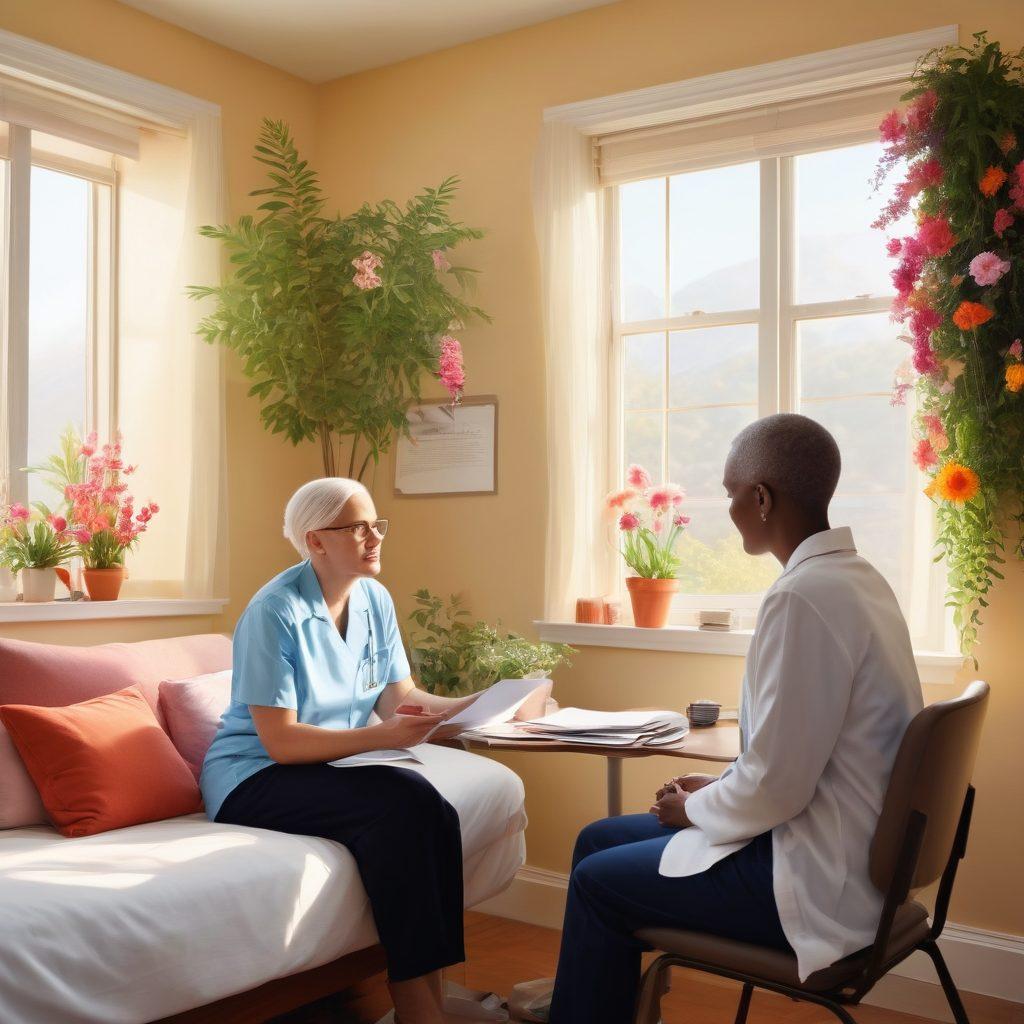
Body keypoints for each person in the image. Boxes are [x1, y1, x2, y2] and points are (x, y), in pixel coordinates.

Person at [545, 413, 924, 1024]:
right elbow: (799, 756)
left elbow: (779, 784)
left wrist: (695, 808)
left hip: (813, 881)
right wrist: (721, 787)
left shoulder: (803, 596)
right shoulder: (859, 581)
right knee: (597, 840)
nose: (729, 509)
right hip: (851, 854)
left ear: (762, 498)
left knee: (595, 882)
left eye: (731, 495)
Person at [201, 477, 478, 1024]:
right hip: (252, 777)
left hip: (327, 764)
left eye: (377, 525)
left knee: (434, 813)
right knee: (406, 800)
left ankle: (432, 999)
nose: (375, 537)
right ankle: (417, 1008)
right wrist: (384, 735)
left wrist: (483, 706)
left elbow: (400, 698)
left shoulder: (374, 598)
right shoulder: (273, 611)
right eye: (357, 527)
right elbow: (281, 743)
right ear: (316, 541)